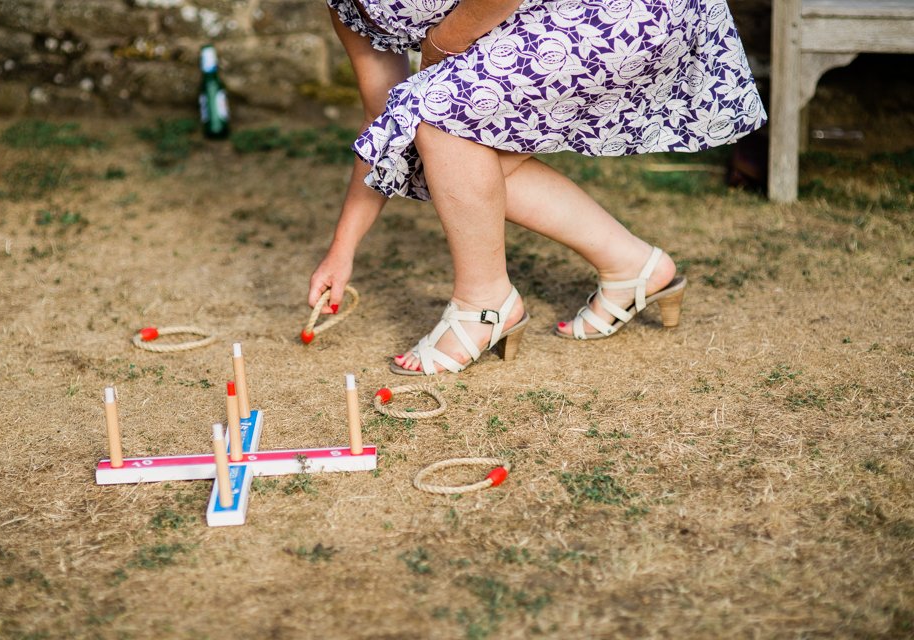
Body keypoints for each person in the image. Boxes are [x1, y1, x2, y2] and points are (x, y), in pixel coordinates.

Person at [308, 0, 766, 375]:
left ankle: (483, 303)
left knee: (437, 116)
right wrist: (342, 248)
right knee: (427, 147)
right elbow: (380, 120)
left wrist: (441, 44)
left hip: (627, 10)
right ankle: (632, 265)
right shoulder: (349, 7)